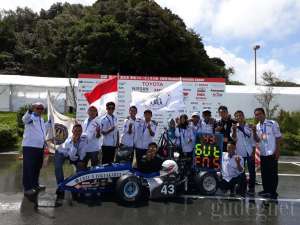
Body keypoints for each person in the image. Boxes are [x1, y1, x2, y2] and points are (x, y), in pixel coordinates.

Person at [54, 124, 87, 205]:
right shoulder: (69, 140)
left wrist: (81, 160)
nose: (77, 132)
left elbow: (82, 153)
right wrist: (75, 144)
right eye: (75, 131)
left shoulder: (83, 140)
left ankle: (76, 186)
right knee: (58, 167)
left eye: (79, 131)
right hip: (61, 153)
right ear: (72, 131)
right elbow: (71, 156)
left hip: (72, 154)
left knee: (80, 168)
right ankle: (61, 186)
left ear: (81, 132)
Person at [22, 102, 49, 196]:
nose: (40, 110)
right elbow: (25, 120)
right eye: (38, 108)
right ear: (34, 109)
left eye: (42, 108)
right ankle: (27, 188)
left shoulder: (41, 119)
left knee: (37, 167)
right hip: (30, 147)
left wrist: (48, 124)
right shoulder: (31, 117)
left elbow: (42, 130)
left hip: (39, 147)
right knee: (29, 168)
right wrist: (29, 111)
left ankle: (35, 185)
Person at [254, 108, 282, 199]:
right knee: (264, 173)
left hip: (272, 152)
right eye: (256, 115)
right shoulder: (257, 126)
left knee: (273, 174)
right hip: (263, 153)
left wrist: (277, 151)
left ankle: (273, 192)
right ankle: (266, 190)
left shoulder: (272, 123)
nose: (258, 116)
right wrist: (254, 132)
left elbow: (278, 138)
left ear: (264, 114)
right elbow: (258, 140)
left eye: (260, 114)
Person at [231, 110, 256, 196]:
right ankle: (243, 187)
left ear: (243, 116)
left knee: (252, 171)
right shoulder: (234, 127)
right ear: (235, 118)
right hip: (240, 152)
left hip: (249, 152)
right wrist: (234, 130)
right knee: (241, 172)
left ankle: (252, 188)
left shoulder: (249, 126)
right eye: (237, 116)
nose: (239, 117)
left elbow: (253, 140)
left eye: (240, 115)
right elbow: (234, 139)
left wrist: (253, 152)